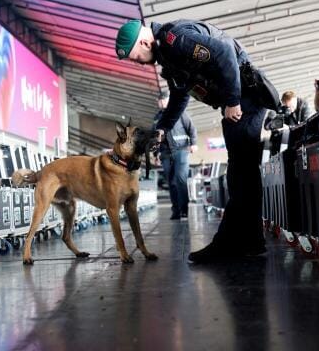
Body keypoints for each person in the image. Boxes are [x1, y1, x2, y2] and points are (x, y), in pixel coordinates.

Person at [115, 19, 280, 263]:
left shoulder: (176, 39)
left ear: (144, 41)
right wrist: (162, 128)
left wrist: (233, 100)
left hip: (246, 99)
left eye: (135, 57)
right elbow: (180, 95)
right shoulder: (168, 55)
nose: (138, 63)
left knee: (241, 172)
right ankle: (249, 242)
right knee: (242, 172)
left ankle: (233, 243)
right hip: (239, 101)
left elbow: (224, 53)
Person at [153, 88, 198, 220]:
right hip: (165, 153)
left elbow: (191, 128)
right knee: (171, 183)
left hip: (181, 150)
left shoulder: (179, 112)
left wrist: (194, 143)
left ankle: (184, 210)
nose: (161, 102)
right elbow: (155, 137)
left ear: (168, 100)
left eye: (163, 100)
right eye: (159, 100)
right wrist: (155, 154)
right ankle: (176, 211)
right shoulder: (156, 119)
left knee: (180, 179)